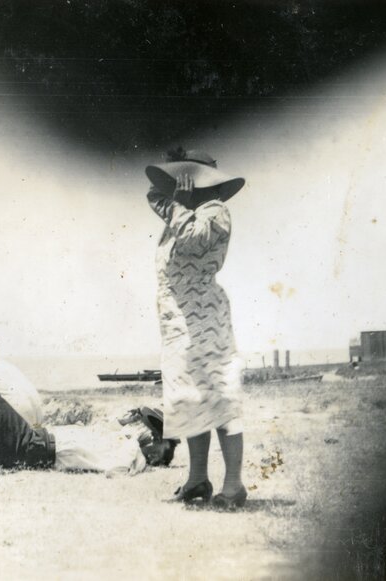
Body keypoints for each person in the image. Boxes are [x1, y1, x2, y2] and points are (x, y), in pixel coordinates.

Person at [145, 147, 248, 509]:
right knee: (191, 400)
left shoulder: (214, 211)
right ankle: (198, 478)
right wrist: (176, 198)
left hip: (204, 320)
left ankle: (234, 485)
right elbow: (153, 195)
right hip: (181, 323)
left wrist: (179, 204)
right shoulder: (185, 211)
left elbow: (193, 239)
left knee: (219, 397)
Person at [0, 382, 160, 476]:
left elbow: (117, 470)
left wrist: (137, 450)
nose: (148, 432)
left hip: (38, 446)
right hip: (39, 441)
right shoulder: (123, 440)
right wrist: (125, 422)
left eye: (155, 437)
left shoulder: (130, 452)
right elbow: (103, 430)